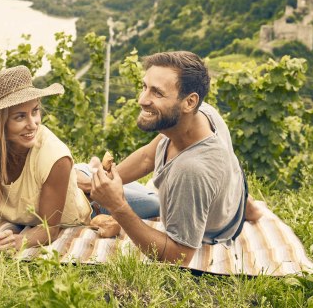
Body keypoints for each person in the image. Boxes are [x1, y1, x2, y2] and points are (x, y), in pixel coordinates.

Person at [89, 51, 263, 265]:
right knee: (92, 182)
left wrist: (118, 207)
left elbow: (179, 256)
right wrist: (98, 185)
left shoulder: (190, 172)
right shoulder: (202, 113)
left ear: (189, 102)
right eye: (145, 87)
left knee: (98, 188)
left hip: (218, 225)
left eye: (157, 93)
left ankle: (240, 209)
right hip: (234, 188)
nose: (142, 100)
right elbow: (146, 157)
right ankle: (243, 205)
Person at [0, 65, 91, 250]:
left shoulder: (55, 157)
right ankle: (85, 170)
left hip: (90, 208)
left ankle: (89, 171)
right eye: (20, 117)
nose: (33, 124)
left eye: (35, 111)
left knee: (133, 199)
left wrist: (19, 241)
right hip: (54, 180)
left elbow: (50, 229)